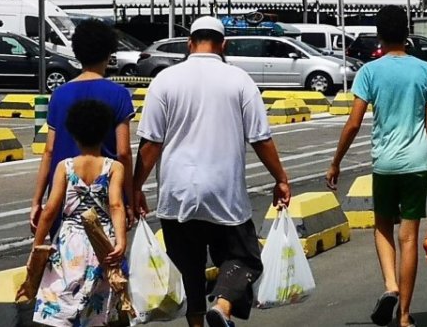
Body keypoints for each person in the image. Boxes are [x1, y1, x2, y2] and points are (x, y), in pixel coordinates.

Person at [133, 16, 291, 327]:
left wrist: (135, 188)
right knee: (244, 258)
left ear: (189, 43)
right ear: (223, 45)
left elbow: (150, 144)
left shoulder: (165, 80)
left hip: (177, 195)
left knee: (188, 271)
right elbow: (260, 138)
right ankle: (222, 306)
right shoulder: (239, 80)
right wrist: (281, 179)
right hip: (224, 193)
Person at [326, 6, 427, 327]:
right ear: (407, 33)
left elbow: (353, 123)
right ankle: (405, 317)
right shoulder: (425, 71)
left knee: (382, 227)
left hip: (385, 165)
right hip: (418, 165)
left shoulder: (370, 72)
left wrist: (336, 162)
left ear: (380, 35)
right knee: (408, 238)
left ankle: (390, 287)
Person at [31, 19, 134, 235]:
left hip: (64, 196)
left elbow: (49, 151)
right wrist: (130, 198)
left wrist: (37, 201)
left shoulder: (59, 95)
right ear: (109, 53)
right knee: (108, 262)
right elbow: (123, 152)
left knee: (68, 261)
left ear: (77, 53)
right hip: (105, 196)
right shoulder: (119, 95)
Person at [30, 99, 127, 327]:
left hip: (70, 241)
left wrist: (38, 245)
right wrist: (120, 242)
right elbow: (116, 206)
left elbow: (50, 210)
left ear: (74, 134)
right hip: (102, 241)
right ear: (105, 133)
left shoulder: (65, 167)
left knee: (63, 297)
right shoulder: (113, 167)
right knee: (97, 305)